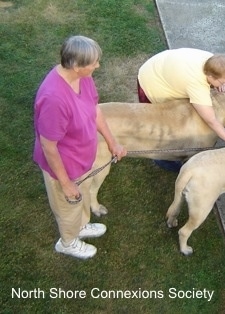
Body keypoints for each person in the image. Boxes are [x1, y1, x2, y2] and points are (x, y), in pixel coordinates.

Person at [33, 35, 127, 259]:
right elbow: (49, 146)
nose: (98, 66)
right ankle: (67, 241)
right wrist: (64, 183)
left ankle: (81, 225)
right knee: (68, 205)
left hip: (82, 158)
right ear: (76, 65)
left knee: (82, 194)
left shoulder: (83, 78)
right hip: (63, 167)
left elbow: (94, 109)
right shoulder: (54, 99)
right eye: (93, 63)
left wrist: (112, 141)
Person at [137, 48, 225, 172]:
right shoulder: (197, 85)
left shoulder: (212, 61)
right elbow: (211, 120)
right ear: (211, 76)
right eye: (224, 82)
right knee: (161, 124)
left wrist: (219, 83)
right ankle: (163, 158)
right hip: (151, 83)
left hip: (158, 65)